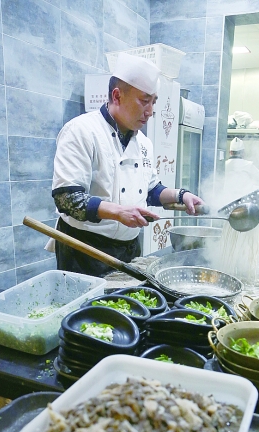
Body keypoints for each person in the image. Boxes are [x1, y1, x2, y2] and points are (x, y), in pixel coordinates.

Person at [51, 53, 204, 277]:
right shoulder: (81, 131)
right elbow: (67, 199)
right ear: (117, 96)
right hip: (84, 250)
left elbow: (150, 190)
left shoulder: (144, 143)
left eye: (154, 102)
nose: (150, 111)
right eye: (144, 100)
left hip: (129, 250)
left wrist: (182, 195)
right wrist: (119, 212)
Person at [224, 137, 259, 203]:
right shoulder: (248, 165)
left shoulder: (224, 165)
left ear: (230, 152)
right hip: (245, 200)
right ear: (243, 153)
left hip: (228, 201)